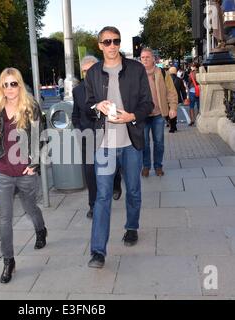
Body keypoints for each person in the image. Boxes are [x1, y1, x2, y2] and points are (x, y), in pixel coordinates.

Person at [85, 26, 153, 268]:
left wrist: (132, 116)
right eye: (107, 42)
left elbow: (148, 103)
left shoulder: (135, 69)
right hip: (104, 144)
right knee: (103, 197)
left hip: (131, 142)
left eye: (115, 41)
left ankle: (132, 227)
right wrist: (97, 107)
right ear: (100, 45)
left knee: (133, 189)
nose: (112, 45)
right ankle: (97, 252)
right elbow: (88, 104)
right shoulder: (93, 73)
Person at [0, 67, 47, 284]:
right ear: (1, 87)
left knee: (31, 207)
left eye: (14, 84)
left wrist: (35, 164)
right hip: (3, 169)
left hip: (25, 170)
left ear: (20, 85)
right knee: (5, 218)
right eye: (6, 84)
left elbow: (42, 137)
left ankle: (41, 229)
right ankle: (8, 260)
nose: (10, 88)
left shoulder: (31, 108)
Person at [72, 55, 123, 219]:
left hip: (108, 133)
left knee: (111, 165)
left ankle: (116, 181)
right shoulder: (77, 90)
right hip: (87, 136)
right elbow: (75, 115)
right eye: (85, 71)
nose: (88, 73)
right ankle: (93, 205)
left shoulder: (108, 87)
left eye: (91, 69)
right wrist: (79, 129)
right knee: (90, 172)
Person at [140, 48, 178, 177]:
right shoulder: (137, 74)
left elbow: (171, 91)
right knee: (144, 143)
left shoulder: (162, 72)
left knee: (159, 142)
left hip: (158, 114)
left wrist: (173, 108)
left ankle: (158, 166)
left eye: (147, 57)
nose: (145, 59)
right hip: (142, 115)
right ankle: (146, 166)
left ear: (154, 59)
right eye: (143, 57)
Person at [168, 66, 187, 133]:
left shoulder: (166, 79)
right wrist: (185, 98)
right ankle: (173, 126)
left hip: (167, 98)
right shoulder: (179, 80)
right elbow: (183, 90)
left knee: (169, 112)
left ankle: (171, 125)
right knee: (174, 111)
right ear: (176, 72)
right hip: (176, 99)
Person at [188, 62, 200, 126]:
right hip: (199, 91)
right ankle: (198, 119)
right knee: (199, 106)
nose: (191, 67)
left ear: (195, 67)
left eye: (192, 66)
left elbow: (189, 82)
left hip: (192, 91)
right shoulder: (201, 72)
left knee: (191, 106)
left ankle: (192, 120)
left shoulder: (191, 74)